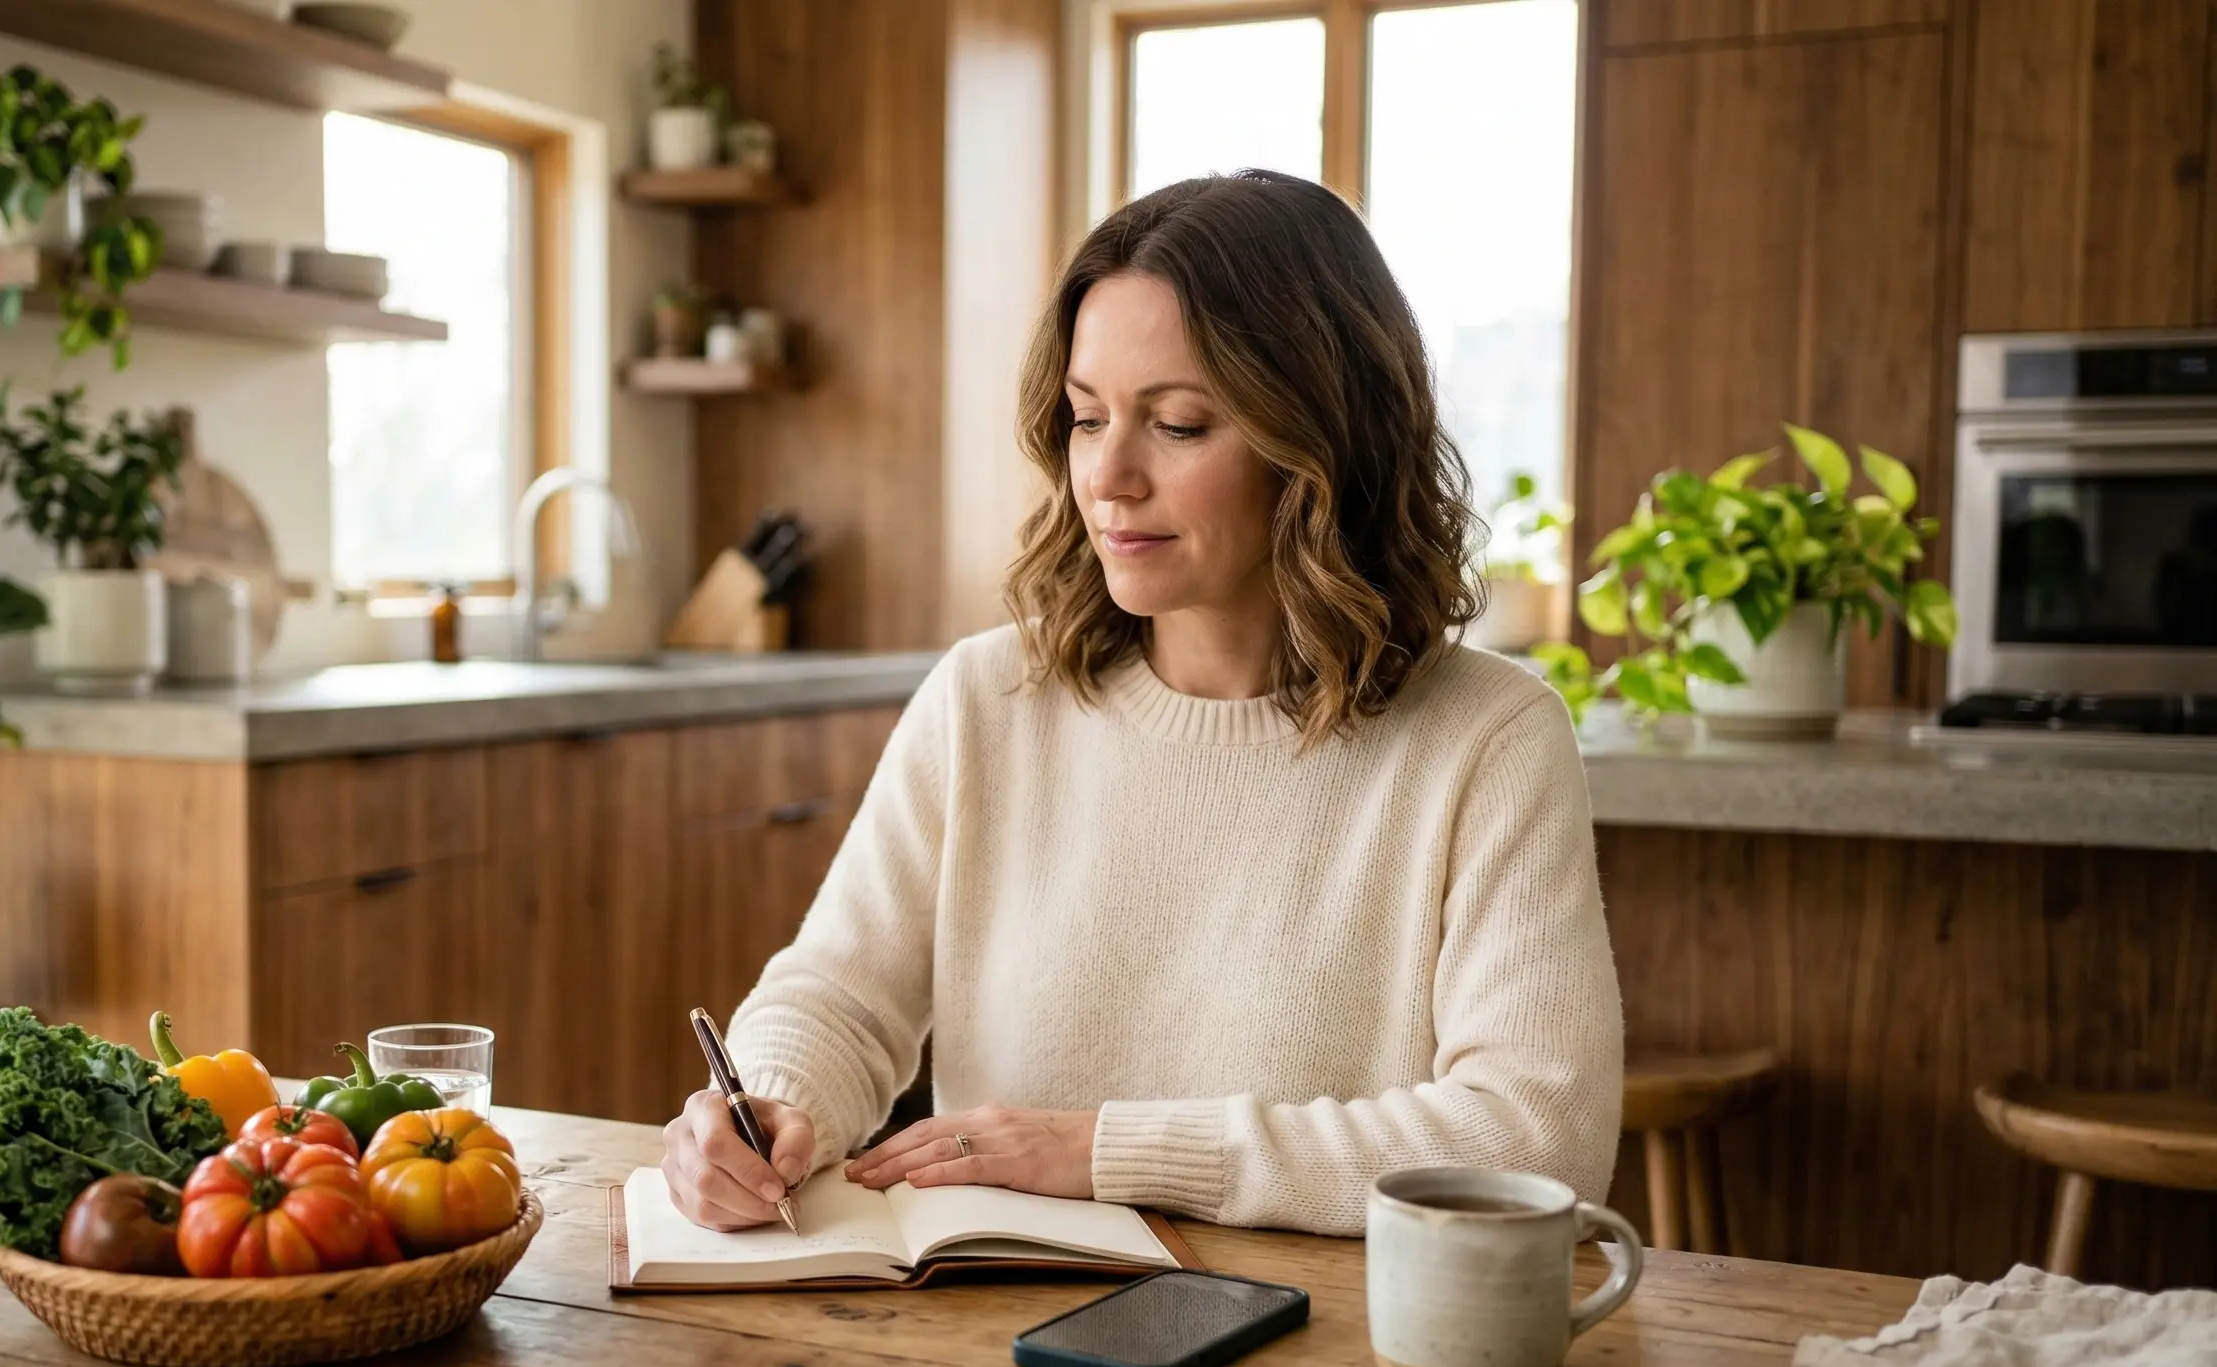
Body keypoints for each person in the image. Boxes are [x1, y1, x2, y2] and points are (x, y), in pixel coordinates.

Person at [660, 169, 1623, 1236]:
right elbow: (839, 995)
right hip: (1002, 1336)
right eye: (1084, 419)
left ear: (1321, 446)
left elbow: (1539, 1139)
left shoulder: (1488, 738)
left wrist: (1109, 1152)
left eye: (1176, 424)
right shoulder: (987, 699)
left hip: (1337, 1356)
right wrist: (770, 1103)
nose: (1107, 476)